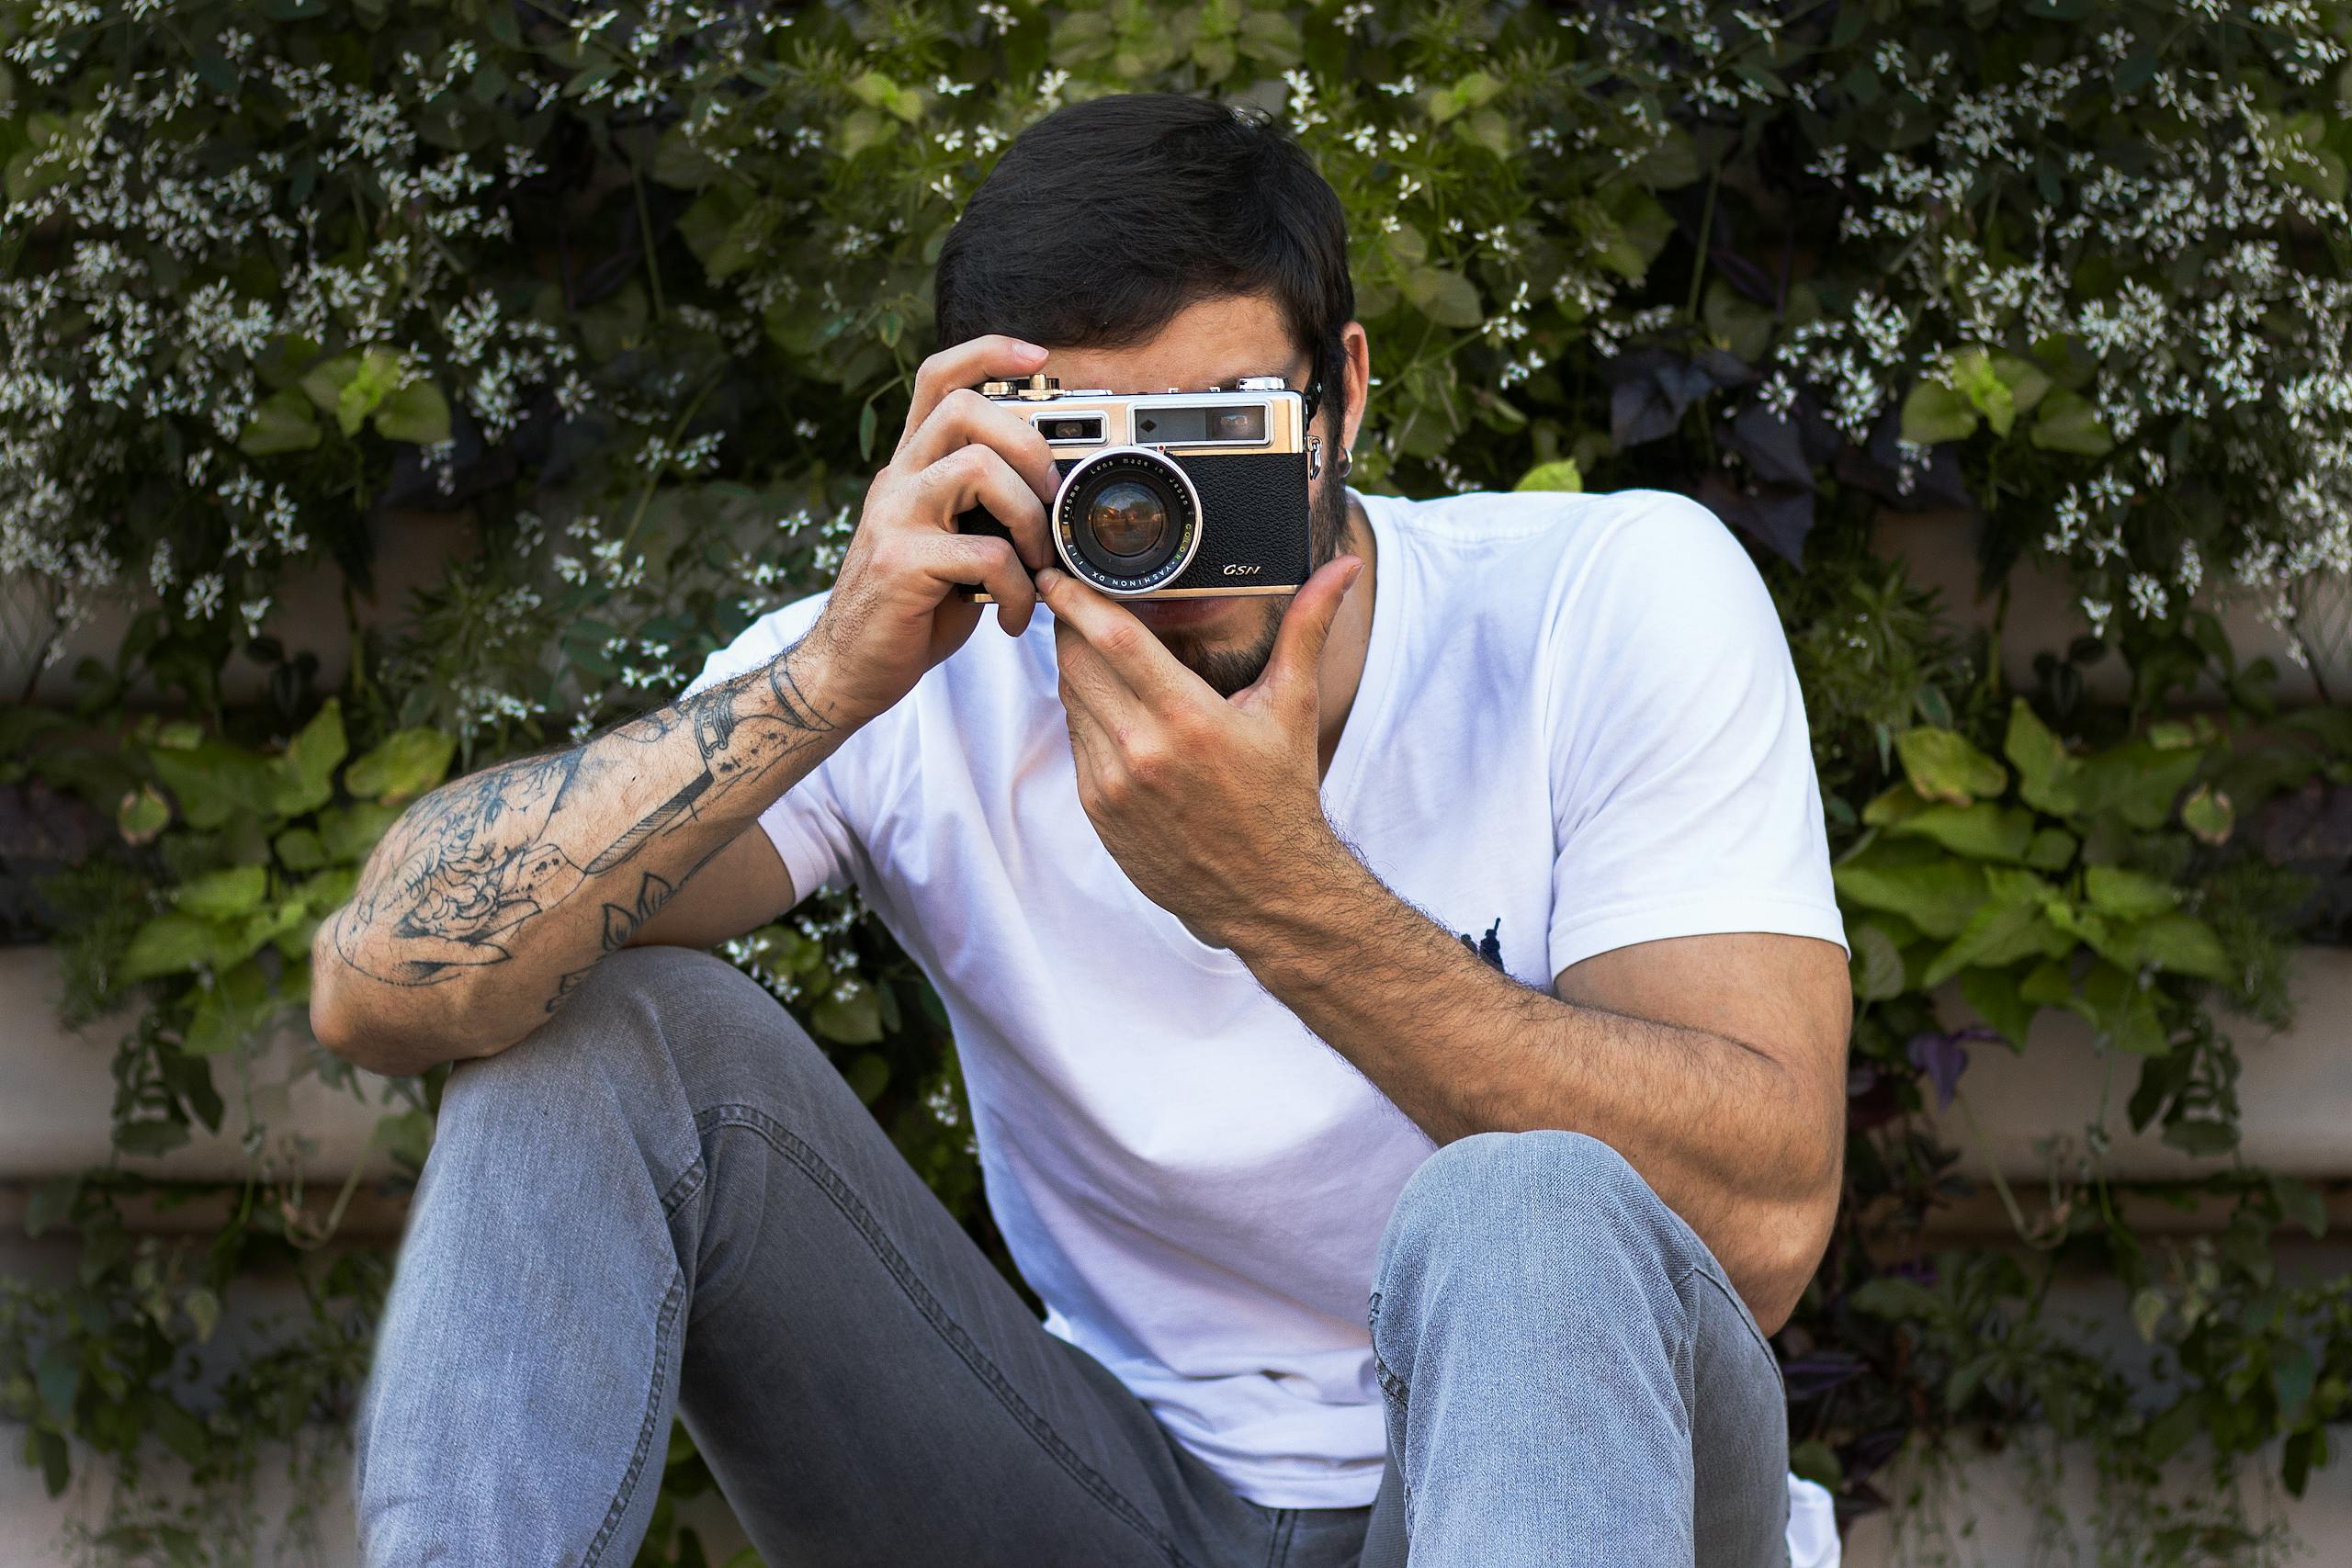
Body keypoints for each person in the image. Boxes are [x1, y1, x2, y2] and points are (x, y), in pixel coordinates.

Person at [316, 91, 1852, 1568]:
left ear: (1349, 397)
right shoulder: (916, 661)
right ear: (976, 447)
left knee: (1529, 1198)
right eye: (1098, 465)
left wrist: (1281, 896)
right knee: (594, 1019)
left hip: (1568, 1481)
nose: (1156, 525)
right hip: (1104, 1491)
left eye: (1217, 439)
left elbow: (1766, 1231)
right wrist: (833, 672)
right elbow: (379, 981)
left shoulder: (1604, 599)